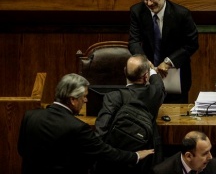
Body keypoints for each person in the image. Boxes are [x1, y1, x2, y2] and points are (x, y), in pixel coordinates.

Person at [17, 73, 153, 174]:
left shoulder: (30, 116)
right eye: (84, 97)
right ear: (73, 100)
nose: (86, 100)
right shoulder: (77, 127)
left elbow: (21, 149)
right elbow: (105, 152)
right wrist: (135, 156)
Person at [129, 0, 199, 103]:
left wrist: (168, 62)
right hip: (147, 76)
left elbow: (192, 44)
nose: (149, 3)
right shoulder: (137, 11)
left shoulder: (181, 14)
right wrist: (144, 61)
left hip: (175, 76)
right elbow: (134, 41)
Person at [93, 54, 166, 173]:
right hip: (147, 160)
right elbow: (159, 86)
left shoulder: (113, 97)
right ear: (146, 76)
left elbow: (101, 131)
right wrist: (152, 70)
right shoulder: (153, 94)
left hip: (116, 162)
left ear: (124, 72)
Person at [152, 131, 216, 174]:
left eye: (209, 151)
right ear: (188, 156)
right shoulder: (162, 172)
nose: (210, 157)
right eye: (205, 153)